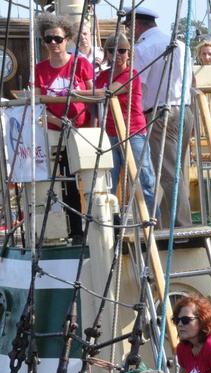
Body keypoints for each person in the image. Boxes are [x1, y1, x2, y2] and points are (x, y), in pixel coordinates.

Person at [130, 7, 194, 230]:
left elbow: (136, 86)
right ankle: (174, 224)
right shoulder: (181, 45)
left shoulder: (142, 48)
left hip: (160, 115)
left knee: (167, 175)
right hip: (185, 112)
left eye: (130, 27)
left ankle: (180, 228)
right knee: (176, 173)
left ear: (137, 25)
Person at [34, 13, 94, 241]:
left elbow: (94, 97)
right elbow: (38, 104)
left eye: (57, 39)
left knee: (89, 180)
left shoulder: (82, 64)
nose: (53, 44)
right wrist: (58, 122)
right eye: (48, 39)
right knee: (65, 183)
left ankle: (96, 227)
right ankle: (75, 232)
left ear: (67, 39)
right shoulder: (39, 70)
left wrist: (91, 126)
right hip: (54, 132)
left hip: (82, 132)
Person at [93, 32, 156, 215]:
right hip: (110, 135)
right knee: (109, 183)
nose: (118, 55)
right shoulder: (102, 76)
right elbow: (95, 101)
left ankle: (153, 221)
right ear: (107, 54)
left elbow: (108, 92)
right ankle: (109, 224)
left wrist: (76, 92)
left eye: (122, 50)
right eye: (112, 51)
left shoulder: (132, 75)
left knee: (145, 179)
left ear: (129, 53)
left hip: (133, 133)